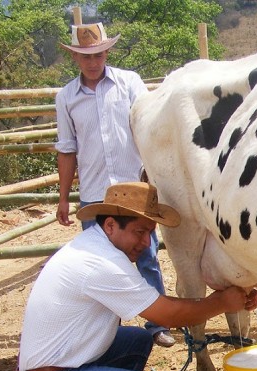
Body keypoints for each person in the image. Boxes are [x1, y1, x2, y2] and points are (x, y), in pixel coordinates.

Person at [17, 182, 257, 371]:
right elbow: (166, 315)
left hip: (59, 365)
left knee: (138, 340)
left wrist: (217, 300)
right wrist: (221, 301)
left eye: (150, 234)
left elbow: (156, 302)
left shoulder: (95, 247)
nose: (145, 243)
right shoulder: (100, 263)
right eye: (139, 232)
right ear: (110, 225)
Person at [54, 22, 176, 348]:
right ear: (76, 58)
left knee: (145, 255)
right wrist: (64, 198)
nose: (92, 62)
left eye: (97, 54)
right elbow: (67, 149)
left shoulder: (130, 83)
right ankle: (106, 333)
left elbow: (149, 128)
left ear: (107, 51)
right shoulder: (66, 97)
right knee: (100, 267)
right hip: (94, 195)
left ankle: (157, 323)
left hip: (134, 191)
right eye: (85, 56)